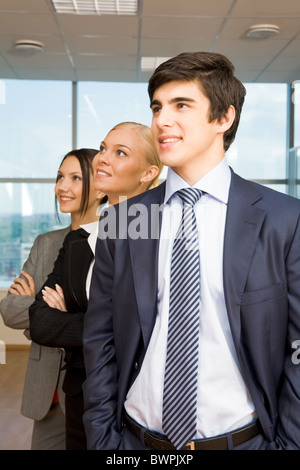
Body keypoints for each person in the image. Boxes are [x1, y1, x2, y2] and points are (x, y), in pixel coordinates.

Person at [82, 52, 300, 451]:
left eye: (182, 105)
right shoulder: (127, 220)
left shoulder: (284, 220)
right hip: (134, 443)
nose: (162, 120)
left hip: (246, 443)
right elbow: (100, 340)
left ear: (223, 118)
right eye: (157, 107)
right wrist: (103, 440)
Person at [29, 121, 162, 450]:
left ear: (148, 173)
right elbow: (40, 321)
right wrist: (106, 326)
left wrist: (75, 327)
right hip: (82, 393)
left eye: (119, 152)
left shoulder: (159, 231)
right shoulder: (79, 240)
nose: (102, 158)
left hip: (140, 399)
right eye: (102, 148)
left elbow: (151, 327)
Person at [0, 148, 98, 450]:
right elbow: (9, 311)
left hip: (91, 392)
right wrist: (53, 321)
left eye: (75, 178)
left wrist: (52, 324)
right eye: (59, 177)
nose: (62, 187)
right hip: (47, 394)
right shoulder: (46, 243)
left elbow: (108, 323)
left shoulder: (111, 243)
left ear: (100, 185)